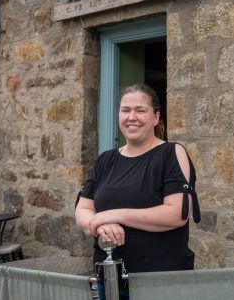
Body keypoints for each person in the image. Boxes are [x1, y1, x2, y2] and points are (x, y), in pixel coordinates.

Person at [75, 83, 201, 300]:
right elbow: (83, 208)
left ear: (155, 117)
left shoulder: (171, 153)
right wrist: (101, 224)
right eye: (125, 110)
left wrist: (114, 215)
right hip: (110, 282)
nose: (131, 117)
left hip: (160, 285)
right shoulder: (106, 159)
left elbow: (176, 215)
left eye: (140, 110)